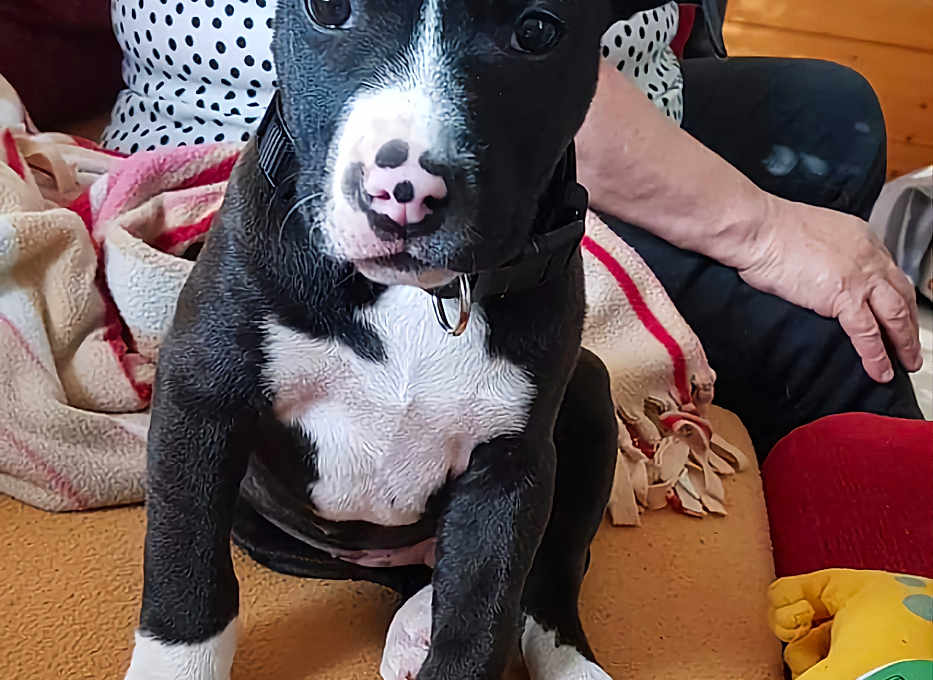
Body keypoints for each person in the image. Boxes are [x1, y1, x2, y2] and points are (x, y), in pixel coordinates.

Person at [102, 0, 923, 458]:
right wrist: (765, 232)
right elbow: (484, 79)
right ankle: (885, 628)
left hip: (606, 89)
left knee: (835, 111)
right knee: (833, 330)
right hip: (418, 148)